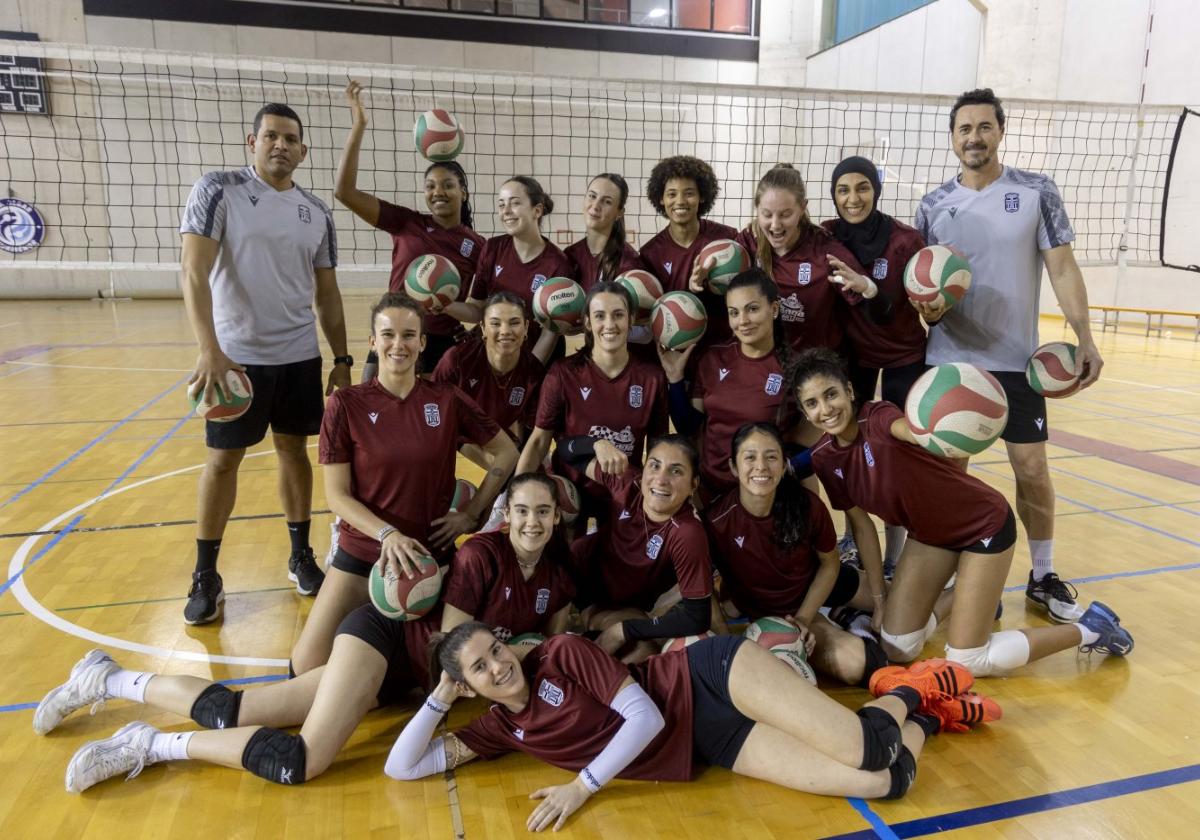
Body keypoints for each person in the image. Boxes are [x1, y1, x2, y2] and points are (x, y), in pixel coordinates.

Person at [38, 475, 574, 793]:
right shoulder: (483, 554)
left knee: (238, 710)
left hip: (398, 678)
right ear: (506, 516)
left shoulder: (559, 572)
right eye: (521, 510)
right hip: (383, 645)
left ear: (557, 518)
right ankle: (151, 745)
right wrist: (519, 658)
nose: (532, 522)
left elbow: (551, 643)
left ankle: (107, 679)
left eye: (543, 512)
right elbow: (457, 653)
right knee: (302, 760)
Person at [384, 624, 998, 831]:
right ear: (466, 685)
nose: (499, 665)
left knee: (865, 746)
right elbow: (402, 766)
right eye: (479, 668)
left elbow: (644, 715)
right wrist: (441, 696)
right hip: (708, 743)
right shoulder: (498, 730)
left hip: (709, 679)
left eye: (496, 648)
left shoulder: (561, 653)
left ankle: (907, 685)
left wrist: (583, 786)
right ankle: (925, 712)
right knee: (883, 783)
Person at [792, 348, 1133, 678]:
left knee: (969, 659)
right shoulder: (824, 458)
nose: (826, 409)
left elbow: (909, 430)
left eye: (831, 394)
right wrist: (879, 602)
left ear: (850, 391)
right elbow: (862, 529)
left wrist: (958, 417)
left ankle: (1091, 628)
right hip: (931, 535)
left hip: (982, 525)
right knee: (897, 647)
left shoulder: (878, 417)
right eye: (812, 403)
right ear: (804, 412)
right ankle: (971, 594)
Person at [915, 88, 1105, 622]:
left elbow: (1062, 268)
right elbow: (922, 284)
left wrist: (1085, 336)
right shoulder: (933, 205)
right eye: (963, 129)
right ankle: (963, 576)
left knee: (1032, 469)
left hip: (1017, 363)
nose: (973, 137)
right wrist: (925, 312)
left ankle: (1043, 574)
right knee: (951, 477)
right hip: (951, 362)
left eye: (983, 127)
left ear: (1000, 131)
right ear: (952, 139)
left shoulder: (1036, 192)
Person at [179, 102, 350, 625]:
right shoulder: (219, 190)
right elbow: (192, 270)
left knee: (294, 452)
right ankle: (206, 573)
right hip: (235, 360)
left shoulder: (317, 212)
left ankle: (300, 557)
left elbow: (327, 293)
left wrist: (341, 358)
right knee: (222, 462)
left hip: (299, 355)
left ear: (303, 150)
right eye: (270, 136)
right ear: (250, 141)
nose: (280, 144)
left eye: (290, 138)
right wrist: (210, 349)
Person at [291, 293, 517, 675]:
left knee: (433, 671)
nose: (399, 344)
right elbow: (337, 496)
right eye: (389, 334)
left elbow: (506, 453)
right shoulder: (345, 404)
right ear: (373, 342)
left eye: (409, 335)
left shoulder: (445, 399)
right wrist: (387, 534)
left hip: (429, 559)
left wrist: (472, 514)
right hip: (365, 552)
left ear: (423, 342)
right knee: (304, 667)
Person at [706, 423, 888, 686]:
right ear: (734, 467)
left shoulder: (806, 505)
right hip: (779, 614)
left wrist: (804, 616)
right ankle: (845, 617)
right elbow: (703, 588)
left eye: (771, 457)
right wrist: (726, 640)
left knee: (904, 617)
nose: (761, 466)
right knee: (857, 666)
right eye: (750, 457)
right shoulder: (716, 521)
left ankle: (844, 612)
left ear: (783, 466)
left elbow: (829, 564)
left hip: (817, 589)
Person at [334, 81, 485, 379]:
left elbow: (478, 310)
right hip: (395, 331)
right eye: (430, 186)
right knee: (372, 406)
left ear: (464, 192)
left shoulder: (478, 245)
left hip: (442, 342)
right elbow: (344, 192)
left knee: (429, 421)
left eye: (448, 185)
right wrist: (360, 124)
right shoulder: (406, 222)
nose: (438, 192)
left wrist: (446, 306)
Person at [823, 156, 929, 575]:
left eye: (862, 187)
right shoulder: (829, 236)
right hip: (856, 359)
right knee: (851, 449)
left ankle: (894, 555)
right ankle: (853, 537)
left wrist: (870, 287)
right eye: (843, 190)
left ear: (876, 190)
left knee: (895, 452)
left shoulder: (906, 240)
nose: (853, 198)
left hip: (903, 355)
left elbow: (896, 309)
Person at [517, 281, 668, 527]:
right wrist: (514, 497)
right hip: (569, 495)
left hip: (622, 496)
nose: (609, 325)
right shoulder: (562, 373)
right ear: (587, 322)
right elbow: (538, 442)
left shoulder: (652, 377)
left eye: (618, 315)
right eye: (600, 316)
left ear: (630, 320)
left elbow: (658, 449)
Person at [564, 435, 711, 661]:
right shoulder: (627, 482)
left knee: (642, 651)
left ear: (694, 484)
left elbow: (698, 617)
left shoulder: (687, 531)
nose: (661, 480)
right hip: (572, 571)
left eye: (676, 471)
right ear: (643, 471)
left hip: (612, 604)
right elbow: (565, 453)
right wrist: (596, 444)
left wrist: (624, 630)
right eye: (655, 466)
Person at [659, 269, 800, 499]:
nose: (742, 321)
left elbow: (814, 438)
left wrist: (791, 470)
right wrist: (675, 379)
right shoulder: (713, 359)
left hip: (765, 493)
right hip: (711, 490)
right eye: (734, 313)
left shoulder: (794, 367)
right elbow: (688, 426)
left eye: (752, 309)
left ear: (774, 309)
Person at [737, 164, 866, 356]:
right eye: (766, 214)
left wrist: (866, 287)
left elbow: (866, 302)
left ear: (802, 207)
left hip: (816, 365)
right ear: (757, 209)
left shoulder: (826, 252)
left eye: (785, 214)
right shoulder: (747, 243)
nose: (775, 224)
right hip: (767, 362)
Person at [432, 291, 550, 469]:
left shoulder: (533, 373)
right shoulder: (456, 360)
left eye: (514, 323)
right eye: (495, 323)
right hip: (451, 441)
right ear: (483, 328)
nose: (505, 331)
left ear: (526, 328)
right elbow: (431, 414)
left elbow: (533, 437)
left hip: (497, 440)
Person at [459, 176, 576, 354]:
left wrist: (530, 369)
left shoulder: (558, 264)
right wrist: (442, 303)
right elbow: (477, 309)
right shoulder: (492, 248)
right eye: (501, 204)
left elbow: (550, 333)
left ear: (537, 211)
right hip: (494, 353)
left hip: (535, 355)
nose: (505, 211)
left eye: (514, 203)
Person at [639, 155, 739, 346]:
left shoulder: (727, 240)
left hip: (721, 346)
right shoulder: (650, 253)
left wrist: (712, 285)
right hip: (675, 349)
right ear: (661, 198)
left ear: (702, 196)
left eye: (689, 193)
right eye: (671, 194)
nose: (680, 201)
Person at [564, 173, 644, 291]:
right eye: (592, 196)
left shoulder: (629, 263)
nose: (596, 206)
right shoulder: (569, 255)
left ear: (619, 212)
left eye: (607, 202)